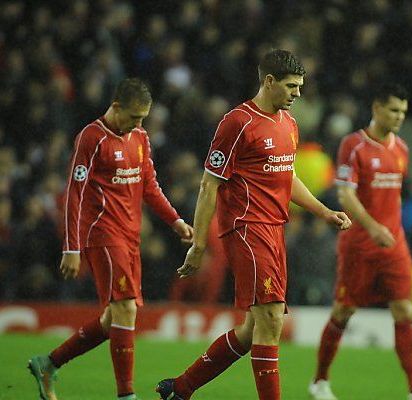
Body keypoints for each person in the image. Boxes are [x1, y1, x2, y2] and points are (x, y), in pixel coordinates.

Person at [155, 49, 351, 400]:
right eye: (292, 86)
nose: (298, 94)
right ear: (269, 81)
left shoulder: (289, 124)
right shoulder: (237, 122)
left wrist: (324, 211)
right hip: (246, 228)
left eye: (301, 87)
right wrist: (199, 245)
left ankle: (180, 389)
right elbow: (208, 184)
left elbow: (285, 177)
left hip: (275, 229)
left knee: (252, 330)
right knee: (272, 319)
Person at [28, 78, 194, 400]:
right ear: (116, 106)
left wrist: (174, 220)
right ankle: (126, 395)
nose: (139, 123)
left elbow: (149, 186)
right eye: (134, 116)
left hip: (130, 238)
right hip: (102, 234)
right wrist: (71, 247)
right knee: (126, 309)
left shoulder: (141, 137)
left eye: (143, 117)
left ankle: (48, 363)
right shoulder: (91, 138)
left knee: (111, 320)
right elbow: (74, 194)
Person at [309, 83, 412, 400]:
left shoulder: (401, 148)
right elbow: (345, 194)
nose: (399, 117)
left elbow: (394, 198)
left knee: (404, 310)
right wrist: (372, 227)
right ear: (377, 109)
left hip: (393, 244)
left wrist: (392, 229)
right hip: (360, 244)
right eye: (394, 110)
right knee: (344, 312)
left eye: (403, 112)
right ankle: (319, 382)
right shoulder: (353, 145)